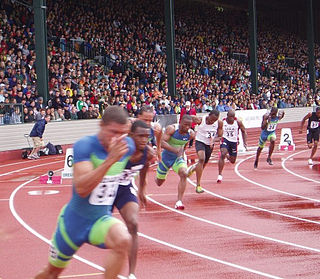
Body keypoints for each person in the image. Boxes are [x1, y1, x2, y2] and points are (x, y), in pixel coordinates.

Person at [34, 106, 135, 279]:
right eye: (113, 132)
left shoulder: (128, 146)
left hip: (100, 221)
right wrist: (110, 160)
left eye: (122, 133)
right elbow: (82, 189)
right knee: (51, 273)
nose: (117, 138)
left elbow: (142, 154)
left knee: (123, 240)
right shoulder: (85, 146)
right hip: (73, 224)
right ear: (101, 125)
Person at [113, 120, 154, 279]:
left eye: (147, 137)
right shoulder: (121, 149)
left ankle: (131, 273)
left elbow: (144, 169)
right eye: (140, 136)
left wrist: (143, 190)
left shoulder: (148, 153)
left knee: (133, 224)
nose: (144, 140)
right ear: (130, 136)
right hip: (108, 187)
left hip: (124, 188)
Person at [155, 115, 195, 209]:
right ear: (180, 122)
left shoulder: (191, 134)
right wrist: (175, 150)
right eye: (185, 125)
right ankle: (158, 176)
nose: (187, 127)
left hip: (177, 158)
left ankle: (179, 201)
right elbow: (162, 143)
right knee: (159, 182)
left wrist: (181, 153)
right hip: (165, 158)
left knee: (183, 173)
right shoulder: (171, 129)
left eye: (189, 126)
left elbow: (184, 144)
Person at [189, 109, 223, 193]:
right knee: (201, 158)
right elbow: (189, 117)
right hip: (200, 142)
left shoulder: (219, 123)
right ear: (208, 115)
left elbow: (220, 136)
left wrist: (214, 140)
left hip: (210, 145)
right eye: (211, 119)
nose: (212, 122)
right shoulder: (201, 120)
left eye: (214, 120)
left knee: (203, 165)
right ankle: (198, 185)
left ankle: (194, 168)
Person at [217, 109, 247, 183]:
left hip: (233, 142)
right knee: (223, 153)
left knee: (233, 161)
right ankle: (220, 175)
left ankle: (226, 156)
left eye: (233, 117)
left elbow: (244, 131)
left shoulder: (238, 122)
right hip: (225, 140)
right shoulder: (222, 122)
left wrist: (245, 143)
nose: (231, 119)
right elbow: (217, 131)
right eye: (230, 117)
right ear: (227, 116)